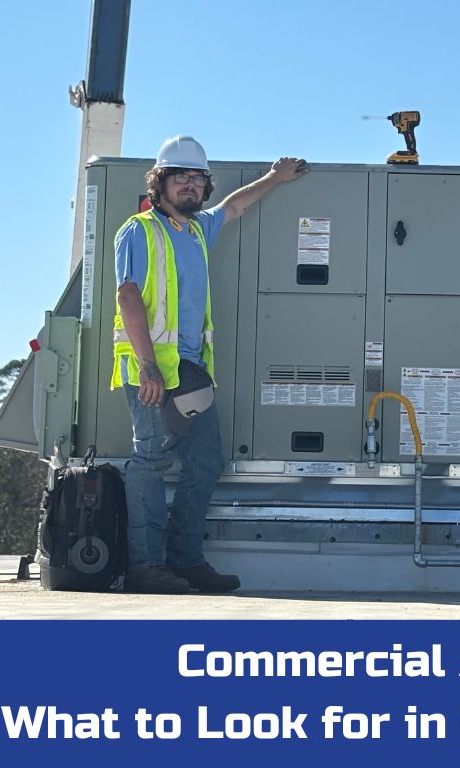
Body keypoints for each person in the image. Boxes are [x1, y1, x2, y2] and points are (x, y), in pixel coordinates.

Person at [112, 135, 308, 594]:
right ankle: (145, 568)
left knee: (204, 463)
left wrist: (275, 179)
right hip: (154, 373)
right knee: (150, 461)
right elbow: (127, 296)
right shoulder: (139, 230)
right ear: (159, 184)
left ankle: (185, 561)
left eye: (197, 179)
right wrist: (148, 367)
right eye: (179, 177)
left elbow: (235, 207)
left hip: (191, 372)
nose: (189, 186)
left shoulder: (198, 229)